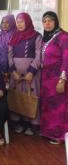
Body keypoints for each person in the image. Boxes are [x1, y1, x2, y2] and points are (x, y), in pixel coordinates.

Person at [8, 12, 42, 135]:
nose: (20, 24)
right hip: (16, 74)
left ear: (27, 21)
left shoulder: (36, 36)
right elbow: (9, 55)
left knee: (31, 97)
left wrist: (31, 72)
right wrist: (13, 72)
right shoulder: (14, 36)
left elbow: (39, 55)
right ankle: (19, 123)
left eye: (22, 21)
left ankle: (31, 125)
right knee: (18, 97)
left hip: (32, 74)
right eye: (18, 22)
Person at [40, 11, 68, 144]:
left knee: (58, 108)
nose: (47, 23)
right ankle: (48, 132)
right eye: (45, 21)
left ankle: (59, 135)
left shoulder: (63, 37)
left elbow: (66, 59)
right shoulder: (47, 37)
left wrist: (62, 79)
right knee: (48, 107)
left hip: (57, 79)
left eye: (50, 20)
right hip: (46, 79)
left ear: (56, 21)